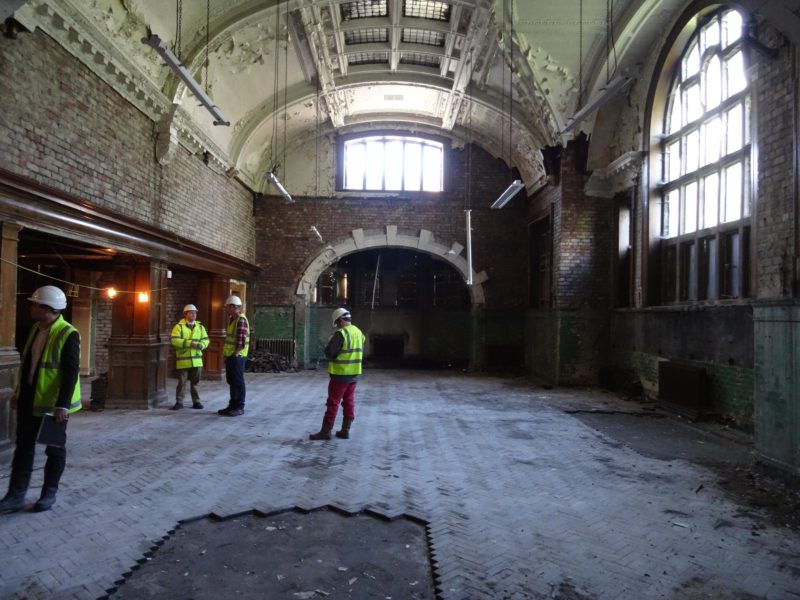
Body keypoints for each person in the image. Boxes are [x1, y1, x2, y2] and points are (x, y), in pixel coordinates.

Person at [0, 285, 81, 514]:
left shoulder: (68, 333)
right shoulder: (36, 328)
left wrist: (62, 404)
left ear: (46, 308)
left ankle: (48, 495)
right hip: (29, 400)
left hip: (53, 406)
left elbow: (70, 372)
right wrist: (18, 393)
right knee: (23, 449)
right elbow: (29, 366)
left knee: (54, 450)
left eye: (34, 304)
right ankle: (15, 495)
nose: (30, 307)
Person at [309, 308, 365, 441]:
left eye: (337, 323)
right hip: (354, 374)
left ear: (340, 320)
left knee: (333, 403)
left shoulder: (341, 334)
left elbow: (330, 353)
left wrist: (329, 344)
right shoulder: (359, 332)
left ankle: (326, 432)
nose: (337, 326)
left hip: (340, 374)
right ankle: (345, 430)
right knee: (349, 401)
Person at [169, 304, 209, 410]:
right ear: (185, 314)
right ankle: (179, 402)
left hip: (196, 360)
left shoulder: (200, 327)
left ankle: (196, 402)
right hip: (183, 360)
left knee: (195, 383)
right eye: (191, 313)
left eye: (195, 313)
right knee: (182, 382)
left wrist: (203, 345)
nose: (194, 315)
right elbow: (174, 340)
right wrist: (190, 344)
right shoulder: (178, 327)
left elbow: (206, 340)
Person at [218, 294, 249, 417]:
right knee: (232, 381)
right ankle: (232, 405)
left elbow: (241, 342)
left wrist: (235, 355)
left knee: (238, 382)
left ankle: (239, 407)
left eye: (227, 307)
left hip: (237, 356)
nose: (226, 309)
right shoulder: (233, 320)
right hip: (232, 356)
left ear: (233, 307)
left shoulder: (240, 320)